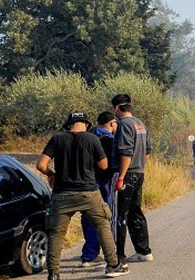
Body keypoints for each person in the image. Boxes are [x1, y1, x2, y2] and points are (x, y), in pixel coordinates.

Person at [36, 112, 129, 280]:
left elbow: (41, 165)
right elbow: (104, 165)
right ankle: (113, 265)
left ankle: (53, 274)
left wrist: (52, 174)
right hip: (89, 193)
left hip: (62, 194)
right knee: (102, 226)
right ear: (86, 124)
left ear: (68, 125)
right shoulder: (92, 139)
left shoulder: (57, 139)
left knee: (57, 234)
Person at [112, 94, 154, 263]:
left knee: (121, 216)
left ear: (116, 108)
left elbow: (126, 152)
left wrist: (121, 177)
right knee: (136, 212)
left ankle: (119, 257)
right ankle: (144, 251)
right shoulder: (140, 123)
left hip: (128, 174)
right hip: (139, 173)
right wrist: (139, 165)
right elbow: (148, 151)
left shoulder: (124, 124)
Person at [78, 112, 118, 267]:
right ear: (112, 123)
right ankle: (90, 255)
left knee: (87, 217)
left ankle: (89, 251)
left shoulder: (88, 136)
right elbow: (106, 165)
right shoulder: (107, 140)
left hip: (84, 183)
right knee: (100, 218)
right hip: (101, 183)